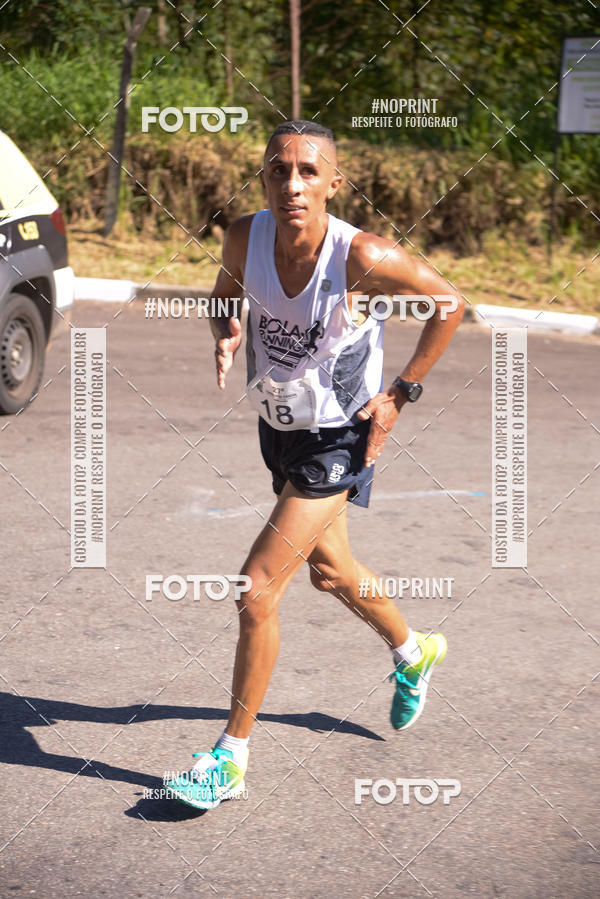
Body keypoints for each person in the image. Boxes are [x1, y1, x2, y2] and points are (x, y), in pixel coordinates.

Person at [165, 121, 465, 810]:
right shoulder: (245, 237)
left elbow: (448, 304)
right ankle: (412, 648)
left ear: (334, 181)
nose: (292, 183)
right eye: (278, 169)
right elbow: (222, 295)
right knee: (330, 571)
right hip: (281, 429)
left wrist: (399, 396)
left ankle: (229, 758)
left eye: (308, 170)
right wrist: (225, 329)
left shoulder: (361, 254)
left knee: (257, 588)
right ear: (263, 176)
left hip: (342, 436)